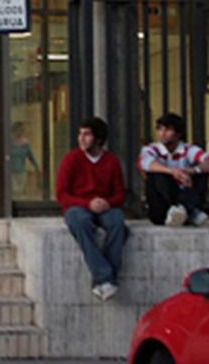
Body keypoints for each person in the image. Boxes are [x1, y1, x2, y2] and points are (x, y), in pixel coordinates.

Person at [54, 116, 129, 301]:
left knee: (118, 222)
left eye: (87, 134)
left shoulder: (111, 161)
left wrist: (108, 203)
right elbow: (61, 194)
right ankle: (105, 277)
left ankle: (103, 280)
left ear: (98, 138)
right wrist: (87, 204)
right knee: (79, 221)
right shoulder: (71, 159)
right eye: (80, 134)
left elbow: (121, 194)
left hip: (105, 206)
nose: (81, 138)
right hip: (79, 206)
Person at [139, 112, 209, 227]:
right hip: (161, 210)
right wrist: (174, 172)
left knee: (202, 173)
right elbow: (146, 164)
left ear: (178, 133)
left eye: (168, 130)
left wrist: (192, 171)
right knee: (156, 175)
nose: (163, 134)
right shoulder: (151, 149)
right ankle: (188, 211)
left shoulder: (188, 149)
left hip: (184, 193)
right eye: (160, 129)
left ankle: (183, 210)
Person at [9, 121, 40, 197]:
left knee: (20, 192)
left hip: (22, 172)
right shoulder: (9, 143)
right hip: (11, 172)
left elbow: (31, 157)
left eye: (22, 130)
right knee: (14, 191)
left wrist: (37, 167)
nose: (20, 132)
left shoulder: (26, 144)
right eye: (19, 130)